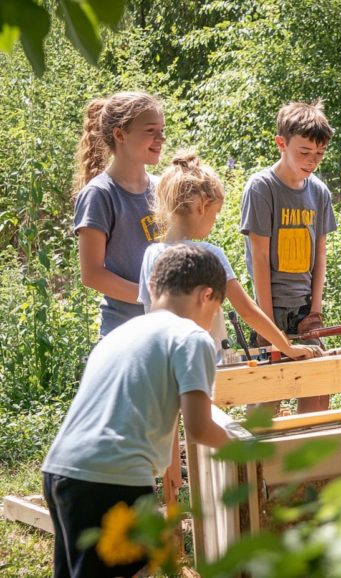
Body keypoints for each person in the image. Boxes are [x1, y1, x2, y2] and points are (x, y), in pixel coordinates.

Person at [42, 244, 232, 578]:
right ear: (206, 296)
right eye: (216, 308)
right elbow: (199, 427)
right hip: (114, 478)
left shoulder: (119, 335)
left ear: (151, 288)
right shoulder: (191, 338)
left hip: (61, 470)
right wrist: (247, 449)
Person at [138, 149, 319, 364]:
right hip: (204, 366)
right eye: (215, 213)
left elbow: (149, 315)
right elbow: (248, 311)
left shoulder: (151, 255)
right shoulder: (209, 255)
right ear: (201, 207)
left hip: (162, 365)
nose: (214, 221)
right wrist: (287, 347)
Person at [240, 101, 337, 413]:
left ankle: (308, 459)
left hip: (304, 310)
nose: (312, 161)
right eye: (304, 152)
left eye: (319, 154)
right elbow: (258, 258)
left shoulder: (319, 192)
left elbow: (319, 256)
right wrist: (268, 327)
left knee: (318, 392)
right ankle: (255, 462)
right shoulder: (262, 188)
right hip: (272, 310)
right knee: (267, 401)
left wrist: (316, 310)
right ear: (281, 143)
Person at [72, 91, 165, 337]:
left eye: (162, 130)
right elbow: (92, 274)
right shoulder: (99, 194)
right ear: (120, 134)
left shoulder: (162, 187)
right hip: (123, 335)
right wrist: (152, 297)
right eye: (150, 131)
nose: (161, 138)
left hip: (165, 330)